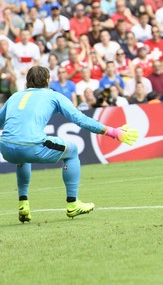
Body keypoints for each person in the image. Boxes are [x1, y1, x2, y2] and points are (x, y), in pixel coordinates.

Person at [0, 66, 138, 222]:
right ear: (47, 80)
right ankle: (73, 204)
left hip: (6, 147)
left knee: (21, 157)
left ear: (27, 81)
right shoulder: (53, 95)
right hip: (32, 145)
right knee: (72, 151)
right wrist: (113, 132)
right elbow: (80, 119)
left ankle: (23, 204)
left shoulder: (14, 97)